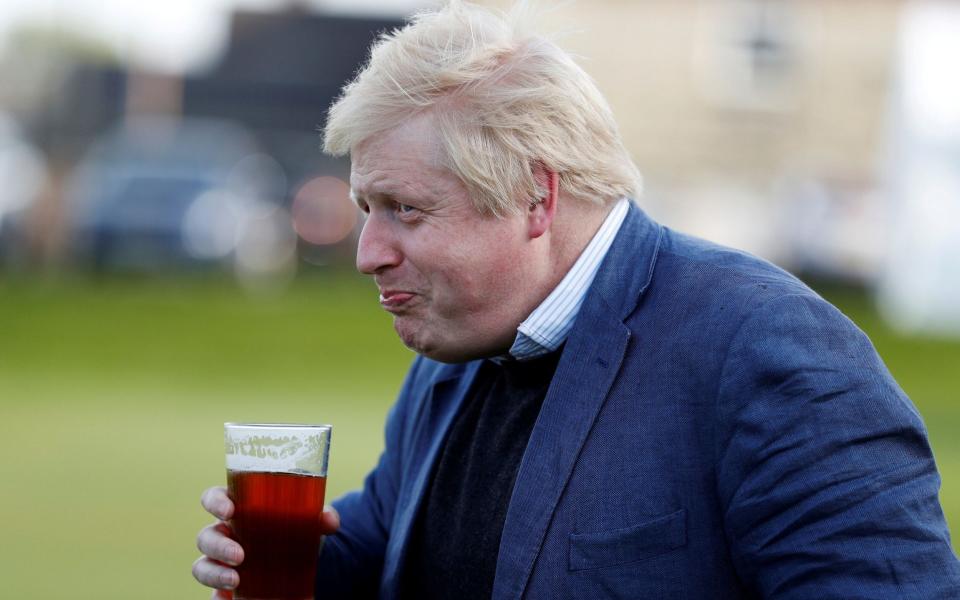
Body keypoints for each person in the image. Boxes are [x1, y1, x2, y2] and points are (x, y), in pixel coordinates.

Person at [193, 2, 960, 598]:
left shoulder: (769, 352)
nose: (367, 254)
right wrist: (290, 564)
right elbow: (388, 549)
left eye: (406, 209)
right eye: (367, 209)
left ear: (535, 197)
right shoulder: (456, 352)